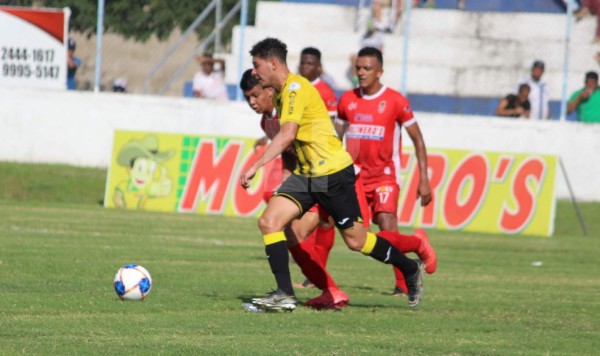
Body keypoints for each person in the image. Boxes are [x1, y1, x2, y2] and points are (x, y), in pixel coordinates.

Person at [240, 37, 426, 312]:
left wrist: (255, 165)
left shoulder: (295, 89)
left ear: (273, 63)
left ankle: (409, 267)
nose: (254, 72)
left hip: (331, 174)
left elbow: (287, 134)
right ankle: (284, 294)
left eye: (256, 65)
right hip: (306, 175)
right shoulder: (280, 92)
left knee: (356, 241)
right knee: (269, 222)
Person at [240, 69, 352, 310]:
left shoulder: (288, 108)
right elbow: (289, 155)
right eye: (247, 97)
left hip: (325, 175)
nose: (252, 102)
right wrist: (286, 180)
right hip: (306, 179)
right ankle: (327, 291)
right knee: (291, 234)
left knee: (358, 240)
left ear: (270, 90)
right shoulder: (266, 122)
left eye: (255, 95)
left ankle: (412, 255)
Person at [335, 46, 436, 296]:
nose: (360, 72)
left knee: (388, 226)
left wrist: (424, 179)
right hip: (355, 178)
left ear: (379, 71)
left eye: (366, 68)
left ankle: (403, 283)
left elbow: (418, 140)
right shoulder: (347, 100)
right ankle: (417, 244)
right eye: (358, 68)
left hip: (385, 176)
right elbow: (335, 138)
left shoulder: (395, 101)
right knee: (360, 239)